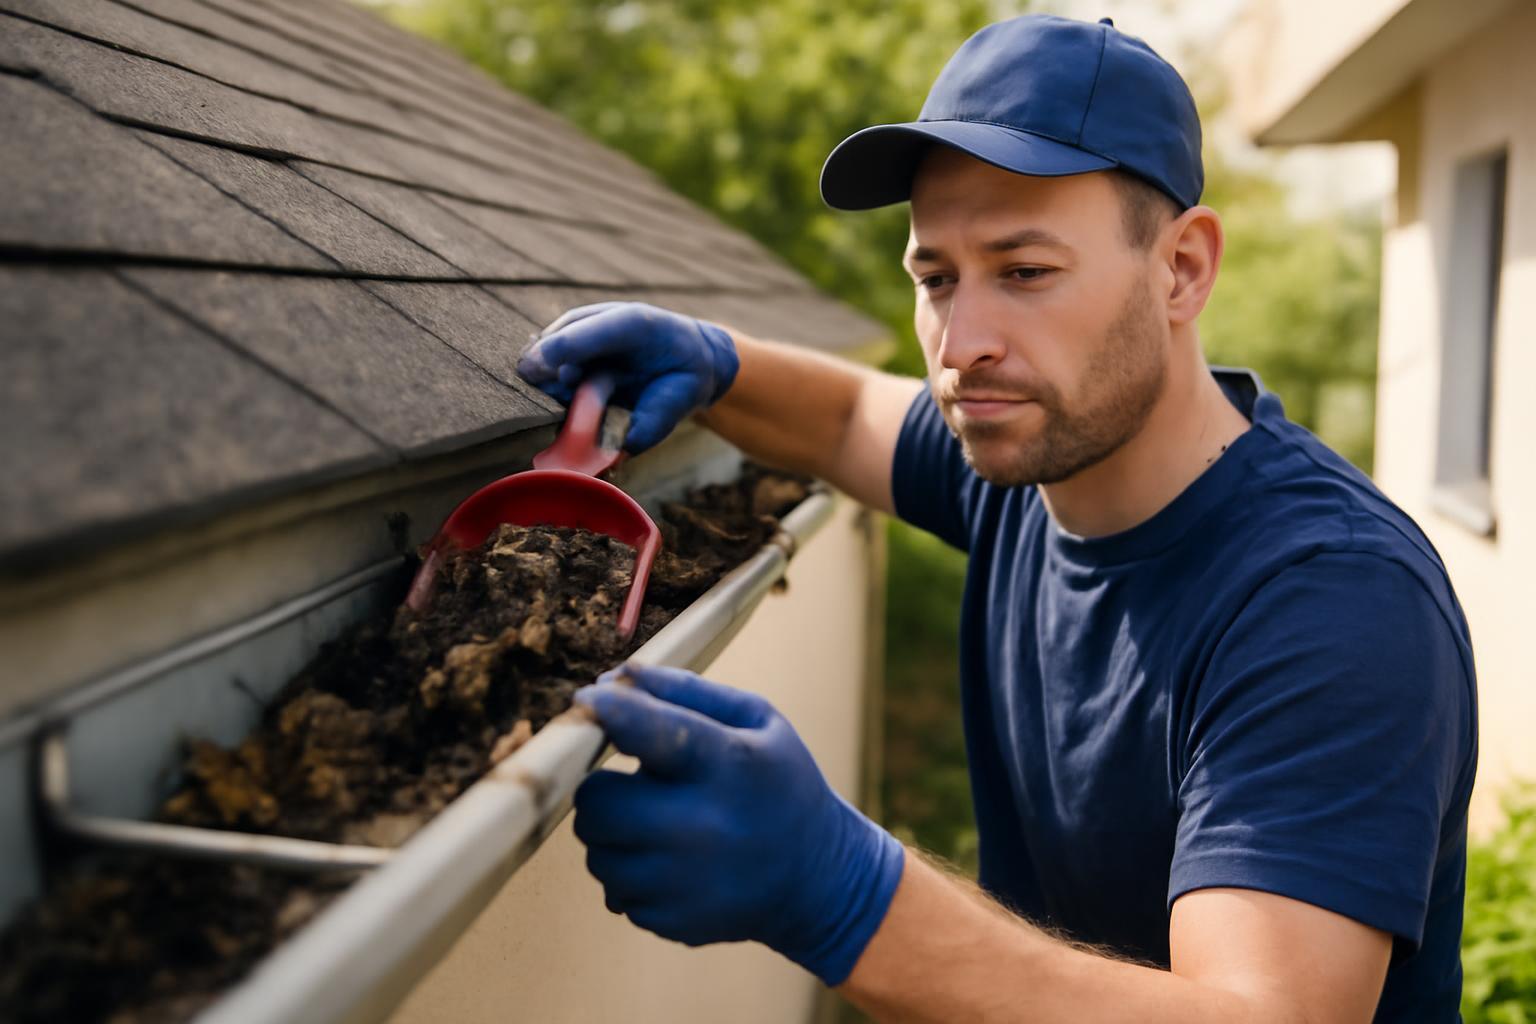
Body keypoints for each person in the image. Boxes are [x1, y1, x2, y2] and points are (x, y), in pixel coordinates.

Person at [516, 14, 1476, 1022]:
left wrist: (849, 895)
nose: (960, 344)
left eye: (1024, 272)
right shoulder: (1032, 456)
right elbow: (849, 416)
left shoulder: (1328, 601)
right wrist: (715, 362)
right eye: (937, 278)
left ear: (1183, 269)